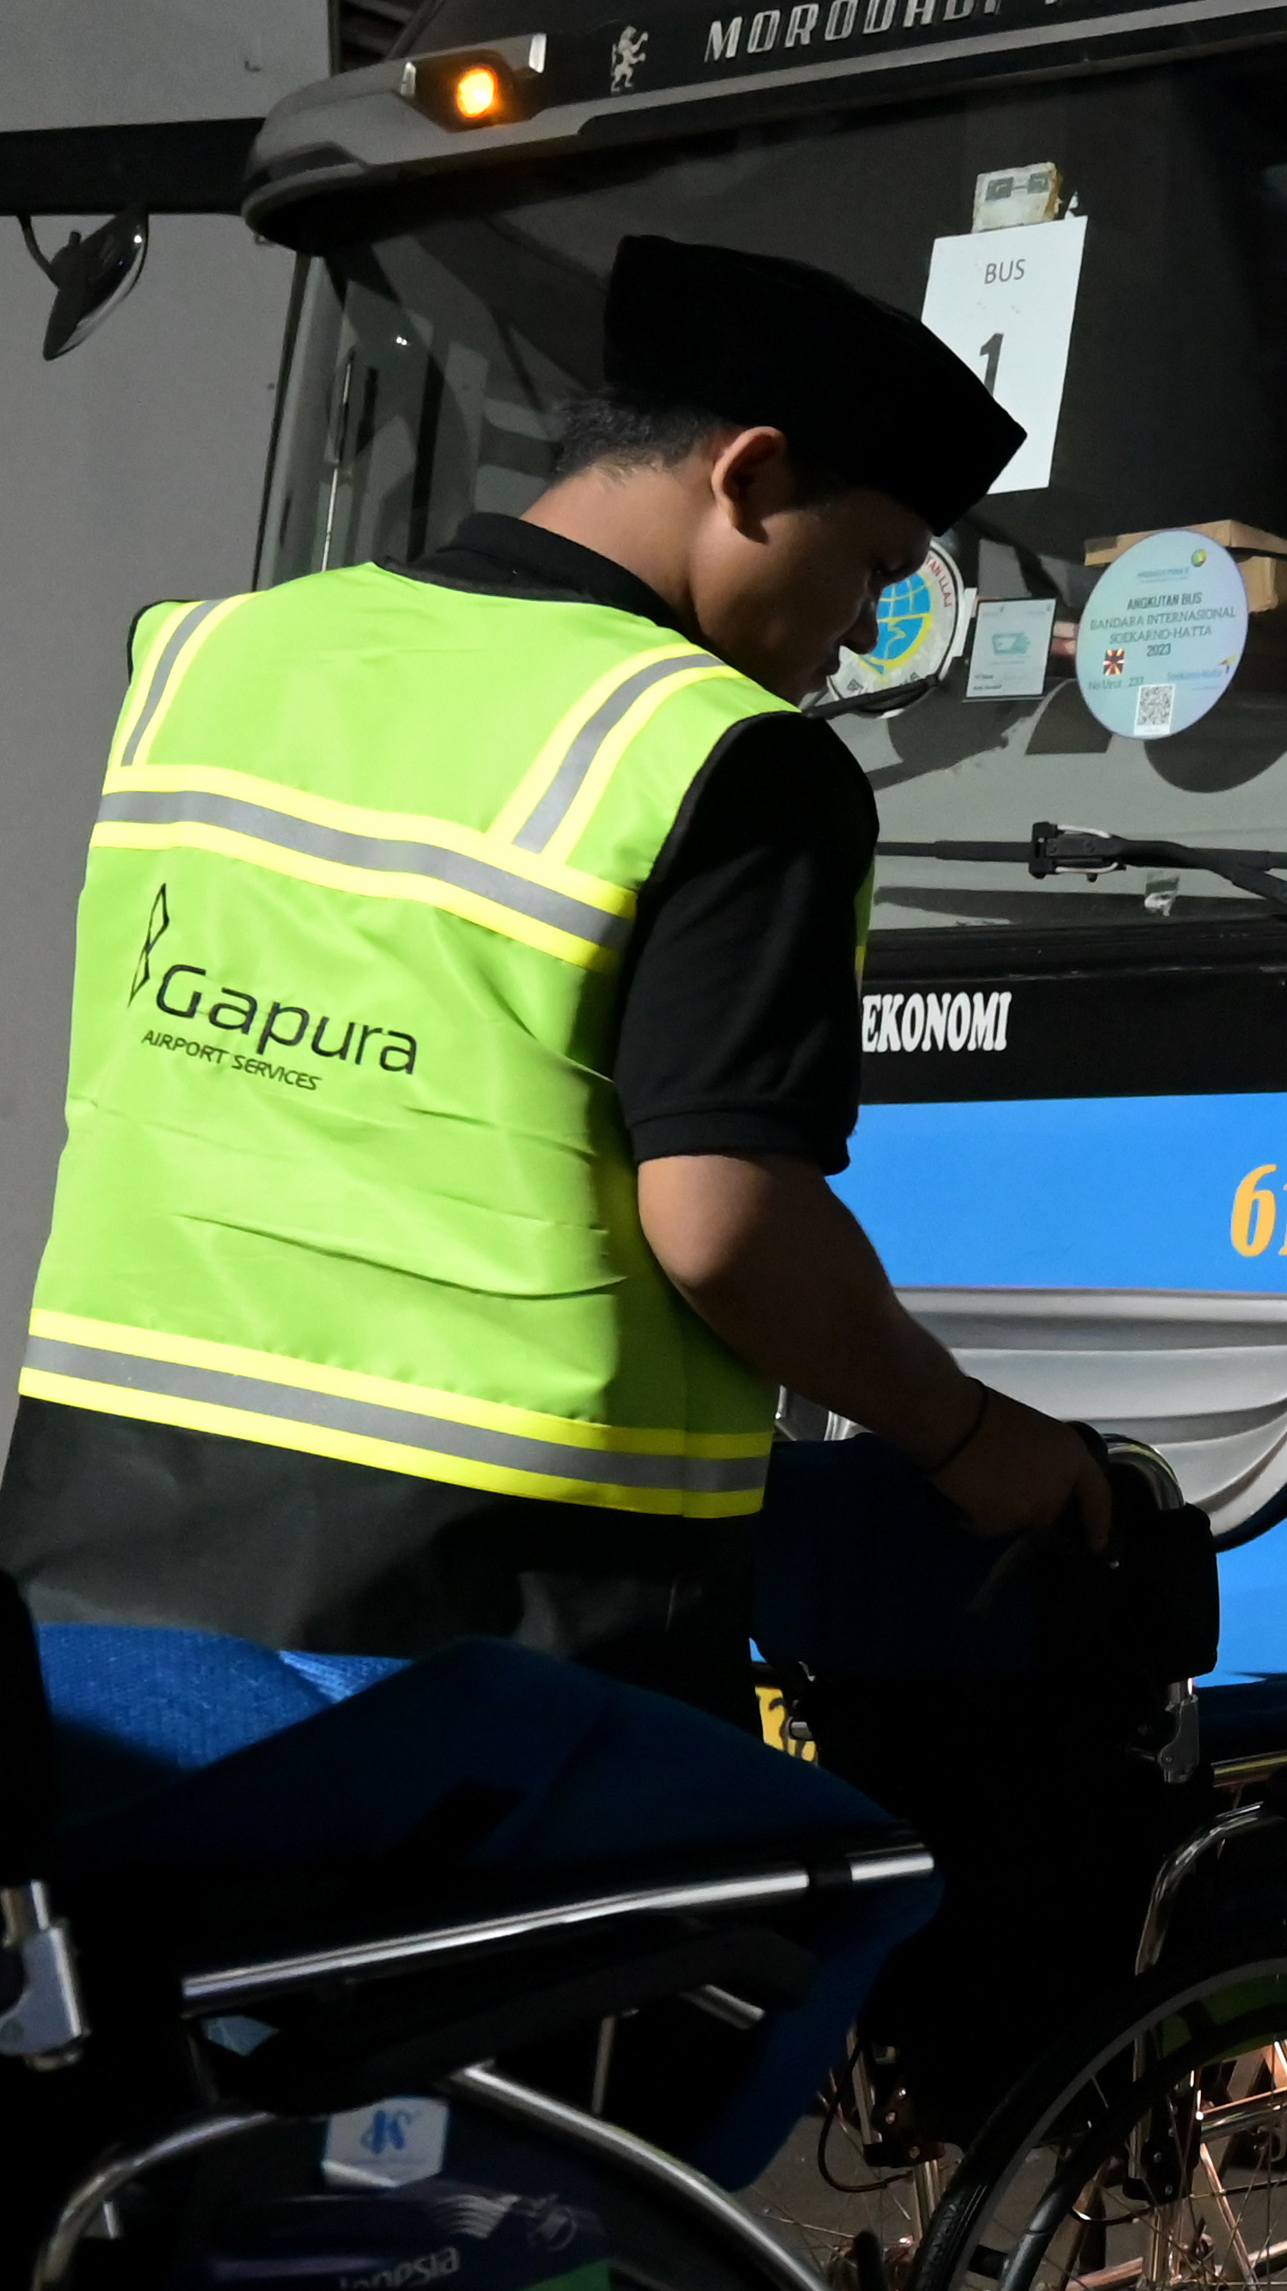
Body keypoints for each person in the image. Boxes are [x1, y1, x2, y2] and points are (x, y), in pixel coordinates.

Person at [3, 234, 1109, 1700]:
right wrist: (969, 1438)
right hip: (498, 1610)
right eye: (873, 574)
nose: (851, 643)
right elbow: (725, 1224)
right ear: (753, 475)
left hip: (99, 1552)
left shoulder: (213, 656)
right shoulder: (728, 754)